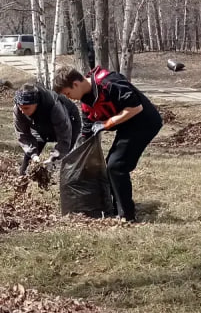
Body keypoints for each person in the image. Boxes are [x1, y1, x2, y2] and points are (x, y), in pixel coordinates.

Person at [54, 65, 162, 222]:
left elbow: (135, 107)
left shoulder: (109, 83)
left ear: (76, 84)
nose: (69, 97)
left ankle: (126, 216)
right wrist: (75, 157)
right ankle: (112, 207)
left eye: (68, 93)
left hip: (145, 122)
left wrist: (107, 123)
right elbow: (87, 131)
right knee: (111, 165)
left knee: (116, 166)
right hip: (127, 126)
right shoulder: (86, 102)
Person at [13, 82, 79, 175]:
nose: (23, 111)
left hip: (69, 121)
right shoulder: (18, 109)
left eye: (26, 108)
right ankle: (21, 183)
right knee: (26, 163)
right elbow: (23, 134)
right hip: (40, 124)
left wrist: (52, 159)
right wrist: (34, 155)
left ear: (36, 103)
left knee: (68, 159)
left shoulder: (54, 106)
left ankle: (70, 184)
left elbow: (64, 137)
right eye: (21, 108)